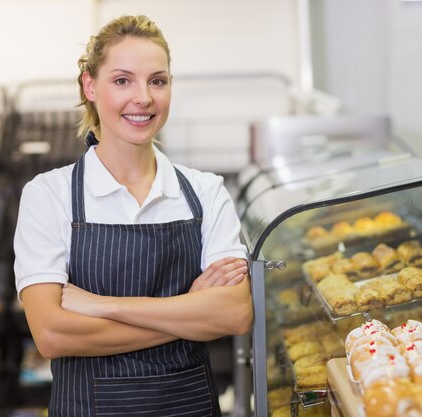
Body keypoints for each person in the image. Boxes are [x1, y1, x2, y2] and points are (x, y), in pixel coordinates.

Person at [13, 14, 253, 417]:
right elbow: (52, 334)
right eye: (122, 80)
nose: (143, 97)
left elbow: (234, 313)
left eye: (157, 81)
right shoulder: (48, 195)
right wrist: (186, 311)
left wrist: (105, 306)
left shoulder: (204, 192)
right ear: (89, 86)